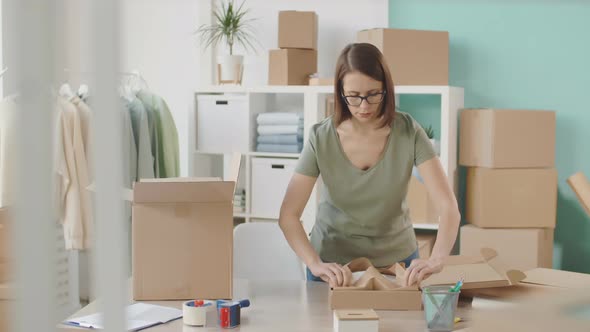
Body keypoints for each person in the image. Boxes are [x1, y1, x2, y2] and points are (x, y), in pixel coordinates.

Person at [278, 43, 460, 287]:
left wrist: (437, 258)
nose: (364, 106)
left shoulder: (408, 131)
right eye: (353, 96)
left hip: (399, 264)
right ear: (340, 93)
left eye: (373, 94)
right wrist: (314, 263)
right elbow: (288, 215)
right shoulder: (320, 137)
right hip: (333, 269)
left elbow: (448, 207)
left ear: (387, 88)